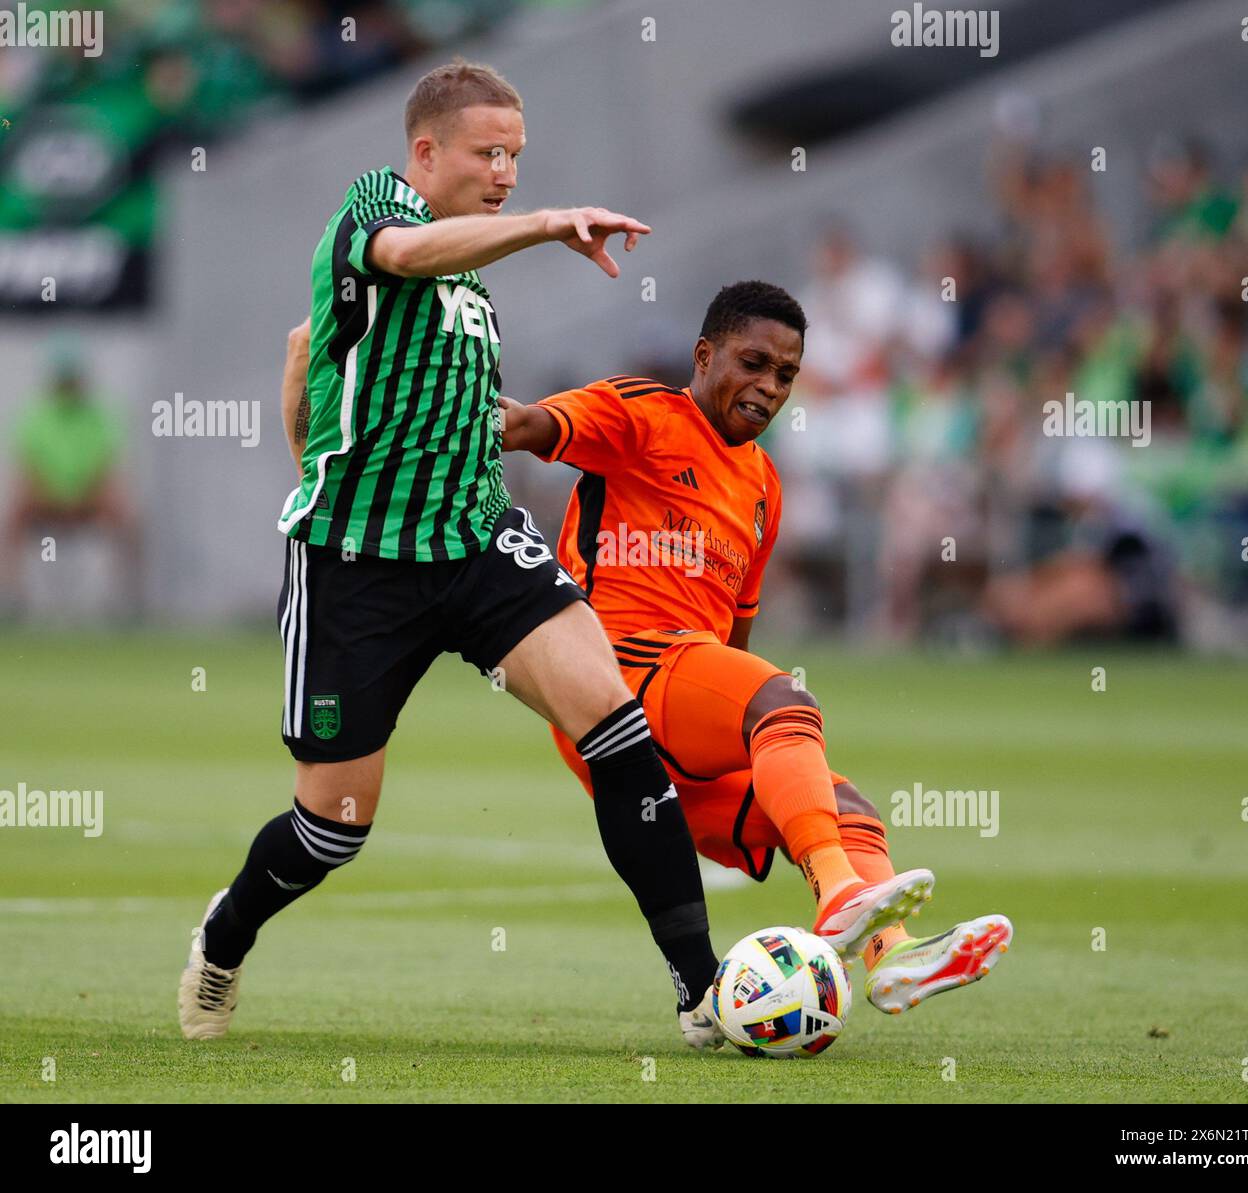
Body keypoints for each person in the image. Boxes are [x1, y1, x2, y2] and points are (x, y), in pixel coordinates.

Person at [179, 60, 726, 1049]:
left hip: (477, 542)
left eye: (517, 156)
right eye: (489, 153)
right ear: (425, 152)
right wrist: (546, 223)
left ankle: (704, 991)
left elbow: (317, 345)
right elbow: (366, 289)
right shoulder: (370, 214)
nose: (507, 171)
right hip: (359, 568)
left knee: (613, 720)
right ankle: (224, 934)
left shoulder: (464, 277)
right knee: (333, 826)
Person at [499, 280, 1013, 1018]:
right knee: (782, 698)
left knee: (846, 807)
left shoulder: (765, 486)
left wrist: (778, 759)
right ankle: (840, 894)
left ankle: (892, 954)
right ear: (705, 355)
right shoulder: (643, 413)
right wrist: (492, 419)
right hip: (616, 676)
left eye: (786, 375)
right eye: (753, 362)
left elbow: (732, 644)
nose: (768, 387)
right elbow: (537, 425)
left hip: (686, 708)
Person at [1, 349, 142, 617]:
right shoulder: (35, 417)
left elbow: (108, 466)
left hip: (88, 498)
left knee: (124, 511)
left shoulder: (100, 417)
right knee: (14, 511)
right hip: (46, 499)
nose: (68, 387)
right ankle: (12, 596)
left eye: (72, 380)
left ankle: (125, 600)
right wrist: (53, 495)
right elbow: (27, 467)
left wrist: (81, 496)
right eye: (63, 380)